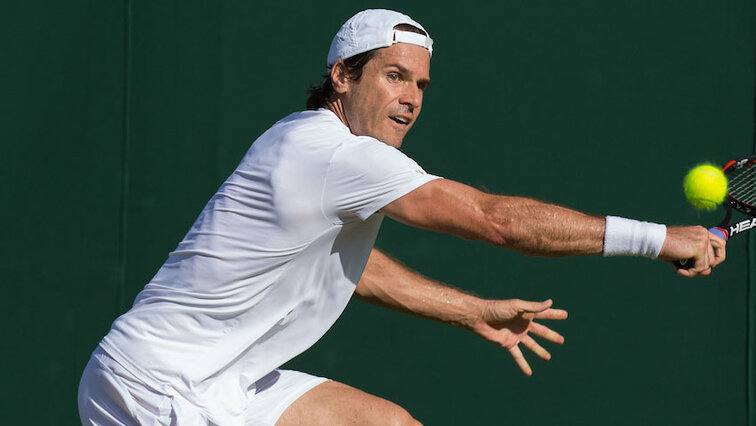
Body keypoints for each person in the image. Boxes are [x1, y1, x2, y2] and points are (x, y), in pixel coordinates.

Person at [78, 9, 726, 426]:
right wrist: (661, 239)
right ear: (342, 76)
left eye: (420, 85)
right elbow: (499, 222)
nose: (411, 98)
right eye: (393, 77)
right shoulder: (332, 153)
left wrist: (467, 308)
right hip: (153, 386)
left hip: (223, 382)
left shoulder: (308, 147)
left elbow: (353, 271)